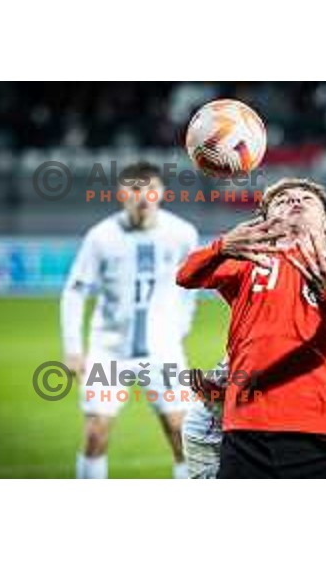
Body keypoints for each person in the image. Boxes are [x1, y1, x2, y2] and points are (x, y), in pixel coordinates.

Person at [182, 189, 326, 479]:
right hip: (229, 431)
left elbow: (321, 379)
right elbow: (186, 276)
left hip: (306, 432)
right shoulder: (257, 267)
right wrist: (222, 246)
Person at [61, 162, 198, 479]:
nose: (144, 197)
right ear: (122, 194)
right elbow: (75, 291)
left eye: (151, 189)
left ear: (161, 193)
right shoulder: (101, 237)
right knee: (96, 433)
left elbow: (191, 287)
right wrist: (73, 347)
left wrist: (180, 326)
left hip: (163, 352)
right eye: (136, 190)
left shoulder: (182, 234)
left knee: (181, 433)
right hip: (109, 352)